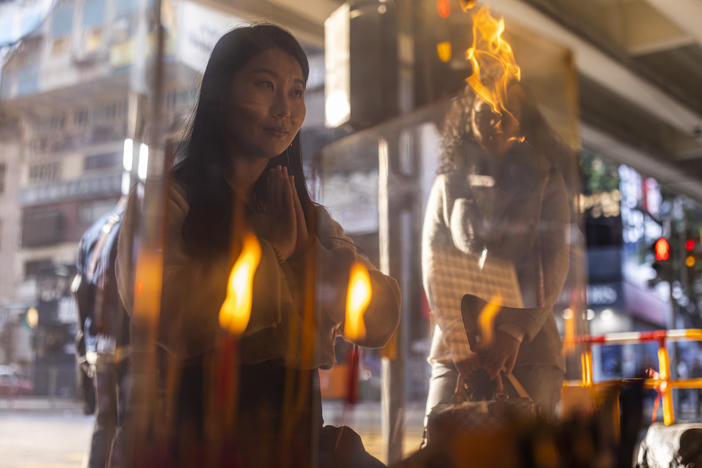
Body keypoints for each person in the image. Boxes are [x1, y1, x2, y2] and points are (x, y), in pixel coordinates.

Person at [114, 25, 400, 467]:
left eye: (297, 91)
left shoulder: (305, 216)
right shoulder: (167, 200)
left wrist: (308, 255)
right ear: (220, 94)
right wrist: (274, 255)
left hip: (296, 437)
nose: (284, 108)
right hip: (194, 442)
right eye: (265, 85)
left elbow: (377, 322)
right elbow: (168, 317)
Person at [421, 85, 570, 429]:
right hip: (457, 348)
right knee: (441, 445)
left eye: (505, 113)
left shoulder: (547, 180)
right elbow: (434, 264)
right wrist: (457, 332)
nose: (494, 122)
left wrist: (514, 331)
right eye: (484, 113)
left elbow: (555, 260)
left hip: (530, 350)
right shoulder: (448, 184)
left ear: (521, 123)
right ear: (467, 119)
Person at [73, 201, 130, 468]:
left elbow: (80, 291)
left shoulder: (96, 230)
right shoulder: (138, 223)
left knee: (104, 421)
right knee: (126, 427)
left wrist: (85, 346)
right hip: (129, 346)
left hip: (99, 348)